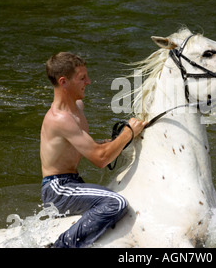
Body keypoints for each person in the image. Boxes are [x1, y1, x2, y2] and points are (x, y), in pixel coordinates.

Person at [40, 52, 146, 248]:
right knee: (116, 203)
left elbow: (90, 146)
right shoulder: (60, 118)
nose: (88, 82)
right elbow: (100, 158)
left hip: (72, 182)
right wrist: (128, 133)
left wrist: (118, 141)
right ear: (63, 82)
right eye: (82, 78)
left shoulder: (77, 106)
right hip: (58, 189)